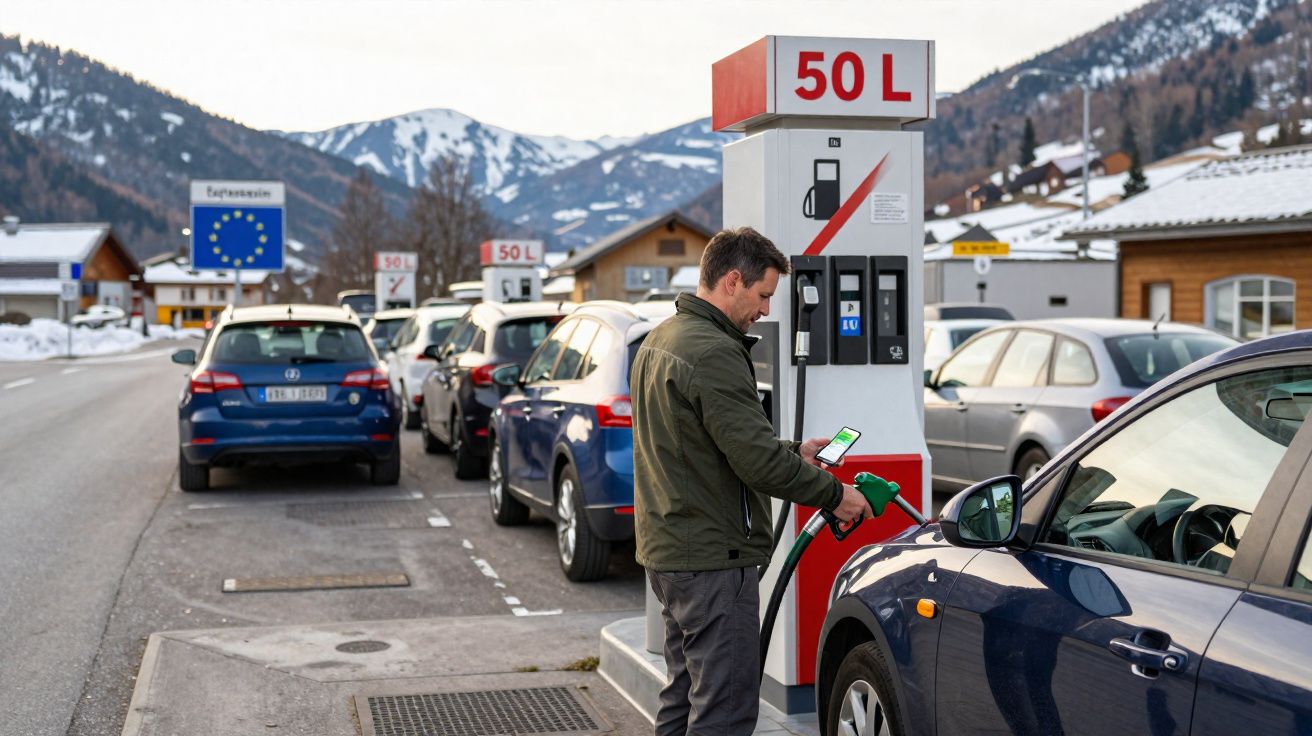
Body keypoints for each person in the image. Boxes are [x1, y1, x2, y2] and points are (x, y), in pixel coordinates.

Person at [631, 226, 873, 736]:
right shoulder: (713, 351)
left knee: (682, 696)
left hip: (671, 552)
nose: (765, 310)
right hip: (713, 560)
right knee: (726, 711)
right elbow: (755, 464)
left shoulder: (661, 340)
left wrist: (795, 452)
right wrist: (836, 495)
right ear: (733, 281)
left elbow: (703, 446)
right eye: (763, 296)